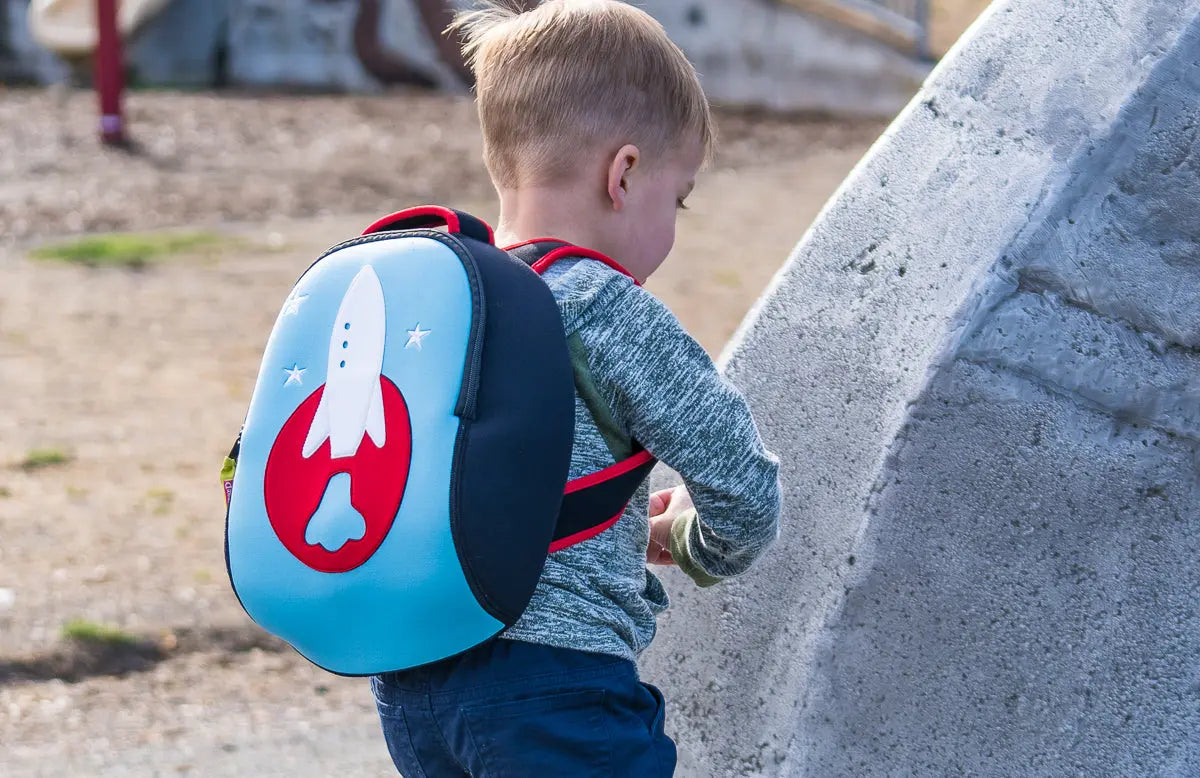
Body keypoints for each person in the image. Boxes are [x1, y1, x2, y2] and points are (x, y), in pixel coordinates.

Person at [370, 2, 782, 774]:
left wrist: (629, 528)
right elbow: (744, 491)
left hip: (413, 687)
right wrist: (695, 542)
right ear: (623, 174)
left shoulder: (443, 298)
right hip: (554, 691)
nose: (675, 220)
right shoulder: (601, 304)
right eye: (679, 196)